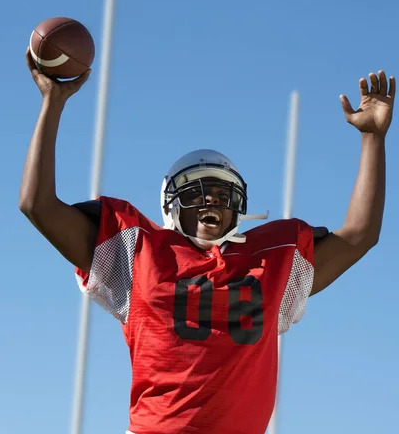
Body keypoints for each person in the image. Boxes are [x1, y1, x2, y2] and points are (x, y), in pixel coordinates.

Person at [20, 49, 395, 434]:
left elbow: (360, 235)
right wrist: (53, 102)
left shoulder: (271, 259)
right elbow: (37, 205)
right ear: (170, 204)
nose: (212, 200)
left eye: (222, 193)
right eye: (198, 192)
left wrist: (372, 140)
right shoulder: (138, 249)